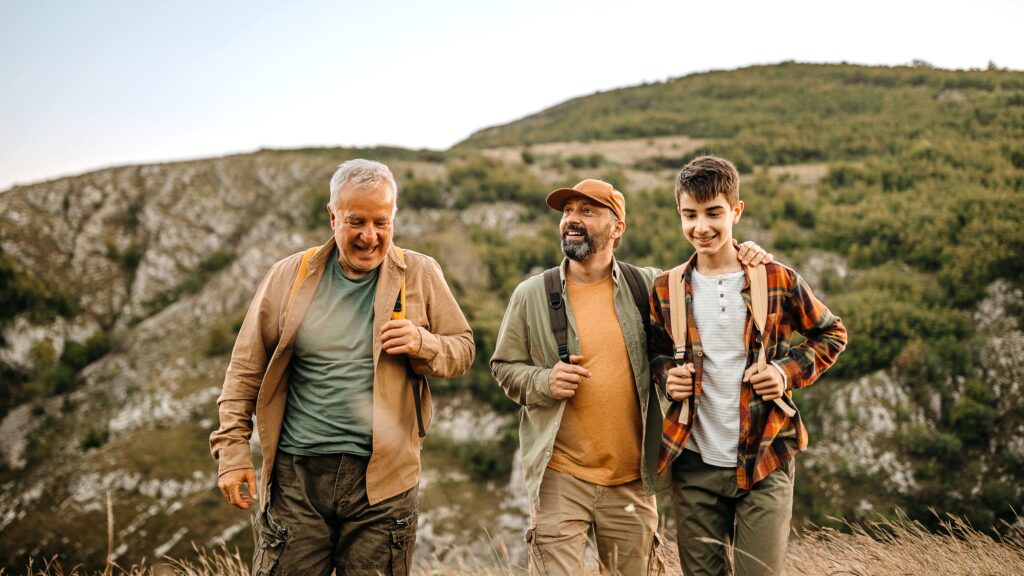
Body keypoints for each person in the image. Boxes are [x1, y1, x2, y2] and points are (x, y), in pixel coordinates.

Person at [490, 178, 771, 575]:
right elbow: (503, 366)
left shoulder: (650, 286)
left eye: (587, 211)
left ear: (617, 227)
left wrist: (747, 254)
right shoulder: (532, 294)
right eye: (568, 211)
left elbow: (708, 276)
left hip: (633, 479)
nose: (572, 219)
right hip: (561, 475)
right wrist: (544, 381)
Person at [209, 159, 474, 576]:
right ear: (332, 216)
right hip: (297, 479)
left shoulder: (420, 273)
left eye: (381, 222)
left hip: (385, 484)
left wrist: (422, 342)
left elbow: (463, 350)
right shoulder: (289, 276)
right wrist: (232, 451)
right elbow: (245, 368)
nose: (370, 236)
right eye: (356, 221)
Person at [650, 155, 847, 575]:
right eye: (690, 215)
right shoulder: (666, 287)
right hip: (694, 462)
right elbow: (654, 350)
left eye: (713, 213)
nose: (701, 226)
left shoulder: (775, 277)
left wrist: (783, 373)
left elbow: (831, 334)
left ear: (736, 211)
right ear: (679, 215)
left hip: (765, 455)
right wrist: (668, 376)